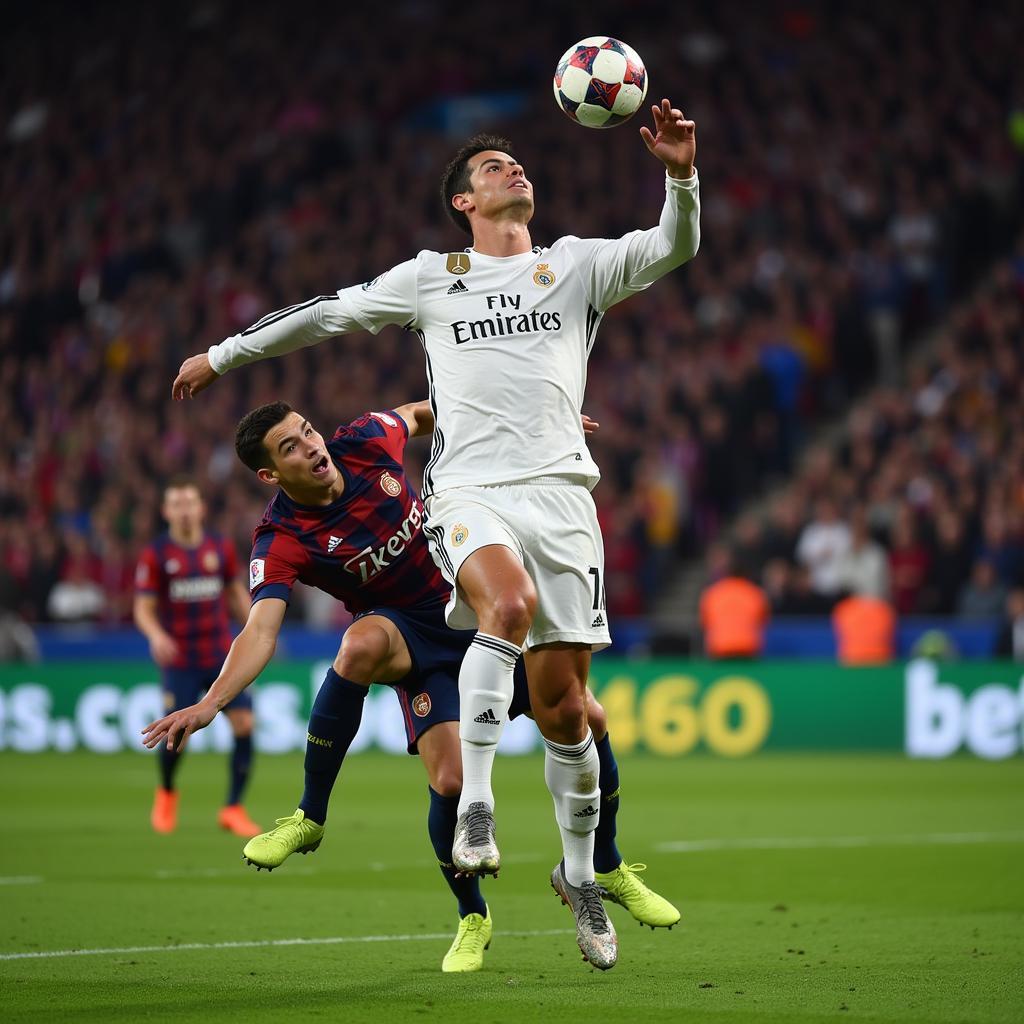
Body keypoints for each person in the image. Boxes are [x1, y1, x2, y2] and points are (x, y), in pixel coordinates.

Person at [169, 100, 700, 970]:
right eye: (493, 168)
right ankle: (473, 813)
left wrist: (681, 173)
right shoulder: (430, 277)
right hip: (468, 492)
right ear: (463, 201)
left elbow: (671, 246)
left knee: (570, 709)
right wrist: (225, 355)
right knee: (506, 605)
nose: (513, 171)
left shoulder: (574, 267)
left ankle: (582, 877)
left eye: (517, 164)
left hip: (563, 496)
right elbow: (324, 313)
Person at [141, 402, 680, 974]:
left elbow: (440, 408)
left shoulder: (367, 439)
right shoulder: (280, 538)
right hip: (415, 642)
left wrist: (541, 412)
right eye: (290, 448)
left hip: (475, 611)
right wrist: (209, 703)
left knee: (588, 720)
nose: (312, 447)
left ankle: (608, 865)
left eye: (307, 432)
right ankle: (440, 896)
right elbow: (260, 629)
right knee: (413, 728)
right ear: (270, 475)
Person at [133, 477, 257, 836]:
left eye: (190, 503)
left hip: (220, 653)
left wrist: (256, 626)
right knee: (178, 733)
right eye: (177, 504)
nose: (185, 510)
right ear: (166, 511)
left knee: (245, 724)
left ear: (201, 508)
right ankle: (168, 792)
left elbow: (235, 592)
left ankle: (233, 808)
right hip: (181, 658)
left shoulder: (218, 547)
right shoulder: (156, 554)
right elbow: (142, 606)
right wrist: (156, 635)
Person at [698, 544, 769, 659]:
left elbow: (705, 622)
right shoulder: (755, 593)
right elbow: (763, 621)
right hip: (748, 647)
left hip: (719, 647)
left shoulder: (713, 593)